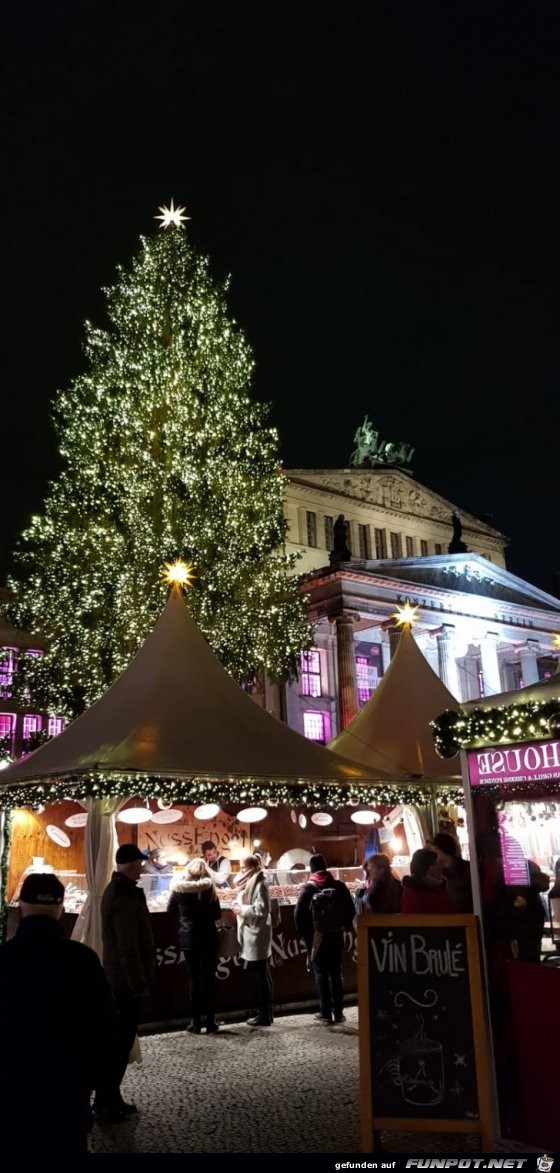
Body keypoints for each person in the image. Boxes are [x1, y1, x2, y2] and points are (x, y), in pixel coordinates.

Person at [0, 873, 117, 1155]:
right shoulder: (83, 960)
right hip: (68, 1089)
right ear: (61, 909)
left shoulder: (4, 959)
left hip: (12, 1090)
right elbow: (105, 1025)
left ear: (21, 908)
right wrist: (98, 1084)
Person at [94, 842, 156, 1123]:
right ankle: (106, 1101)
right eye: (140, 862)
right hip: (124, 983)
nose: (143, 866)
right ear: (131, 864)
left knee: (119, 1043)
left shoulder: (117, 890)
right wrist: (139, 985)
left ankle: (111, 1097)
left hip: (119, 979)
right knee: (119, 1045)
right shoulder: (124, 895)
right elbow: (128, 945)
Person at [294, 852, 355, 1026]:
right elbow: (351, 910)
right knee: (336, 973)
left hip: (317, 937)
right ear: (326, 866)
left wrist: (306, 937)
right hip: (336, 936)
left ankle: (325, 1012)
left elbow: (298, 916)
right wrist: (343, 926)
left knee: (321, 974)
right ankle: (339, 1012)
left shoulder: (307, 888)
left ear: (311, 869)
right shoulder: (339, 885)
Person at [167, 857, 222, 1034]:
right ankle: (211, 1022)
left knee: (194, 979)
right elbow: (216, 914)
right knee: (209, 979)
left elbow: (170, 910)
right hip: (208, 937)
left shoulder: (178, 888)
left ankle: (196, 1022)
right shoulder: (209, 888)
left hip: (188, 937)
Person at [232, 853, 273, 1027]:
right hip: (254, 931)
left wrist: (241, 909)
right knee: (262, 973)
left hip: (258, 932)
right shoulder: (253, 879)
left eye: (243, 868)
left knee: (261, 974)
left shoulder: (260, 882)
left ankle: (265, 1015)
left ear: (251, 867)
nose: (241, 871)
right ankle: (266, 1013)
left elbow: (261, 909)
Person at [401, 848, 456, 914]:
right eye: (434, 864)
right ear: (423, 868)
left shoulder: (437, 887)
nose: (440, 867)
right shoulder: (414, 892)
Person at [428, 831, 473, 913]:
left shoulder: (467, 870)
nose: (432, 855)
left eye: (435, 850)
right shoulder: (439, 874)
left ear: (442, 849)